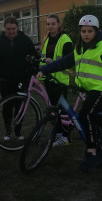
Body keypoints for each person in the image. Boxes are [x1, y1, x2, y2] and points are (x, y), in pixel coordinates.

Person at [36, 15, 102, 172]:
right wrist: (44, 69)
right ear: (80, 32)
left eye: (90, 31)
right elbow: (63, 62)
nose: (86, 34)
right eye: (83, 31)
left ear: (96, 32)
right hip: (91, 90)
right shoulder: (79, 49)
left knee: (85, 116)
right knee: (97, 121)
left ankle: (92, 153)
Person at [0, 16, 39, 141]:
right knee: (7, 106)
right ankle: (7, 131)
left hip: (22, 79)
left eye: (13, 29)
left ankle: (17, 131)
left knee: (20, 106)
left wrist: (32, 71)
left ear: (17, 28)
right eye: (8, 29)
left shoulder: (25, 40)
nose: (11, 31)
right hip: (5, 80)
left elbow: (34, 56)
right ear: (4, 28)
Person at [39, 13, 73, 147]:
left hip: (60, 81)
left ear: (59, 25)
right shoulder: (47, 40)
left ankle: (65, 137)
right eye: (48, 24)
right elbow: (43, 58)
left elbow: (69, 62)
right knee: (54, 110)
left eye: (53, 24)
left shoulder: (65, 39)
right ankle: (57, 134)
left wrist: (52, 62)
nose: (50, 26)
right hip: (49, 79)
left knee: (62, 111)